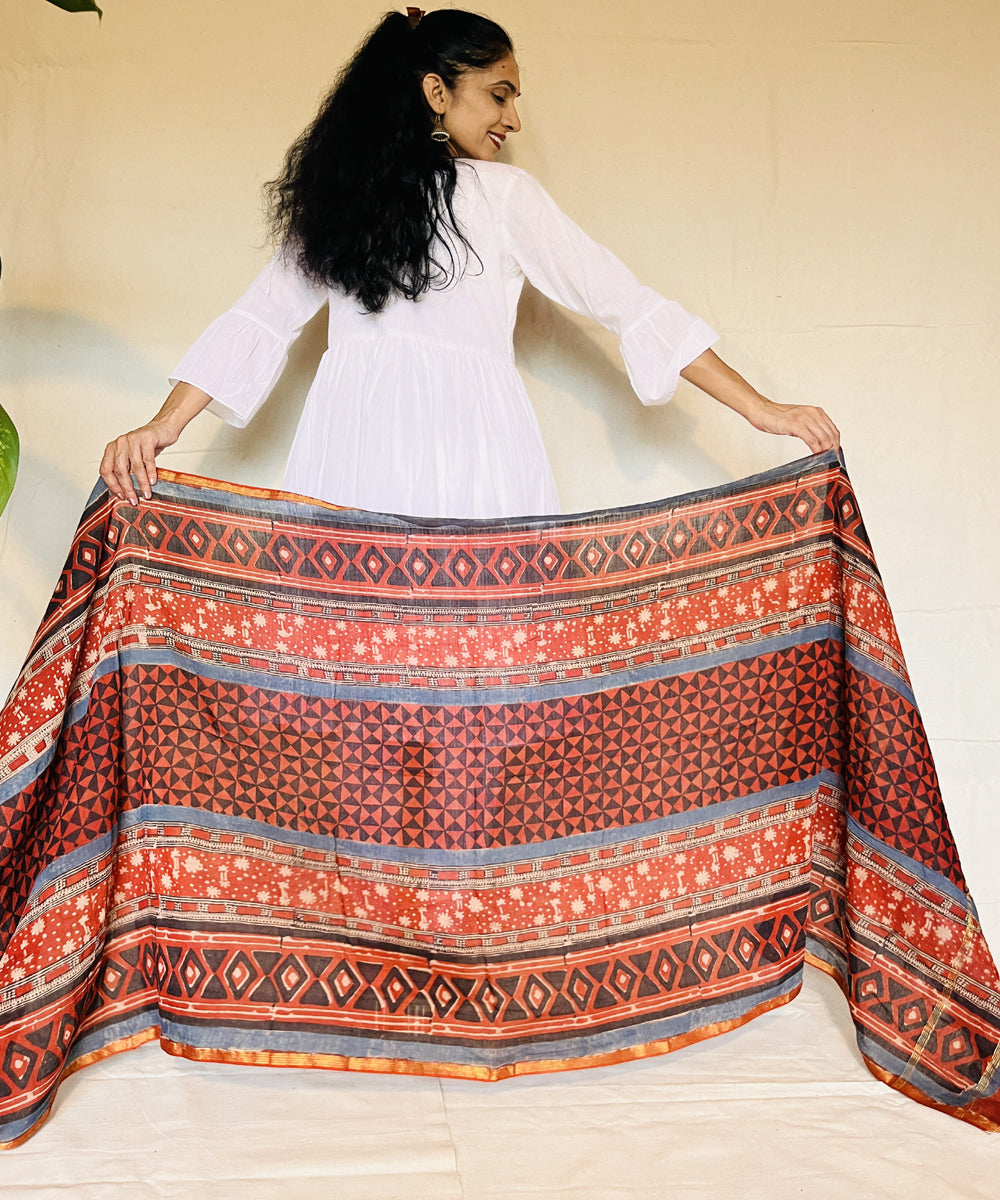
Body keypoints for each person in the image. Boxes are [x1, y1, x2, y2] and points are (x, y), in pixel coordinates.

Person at [100, 7, 839, 517]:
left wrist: (764, 411)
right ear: (435, 92)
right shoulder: (343, 205)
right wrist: (160, 429)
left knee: (482, 686)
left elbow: (628, 304)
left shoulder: (506, 198)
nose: (514, 119)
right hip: (359, 449)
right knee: (366, 682)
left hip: (475, 450)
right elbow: (260, 318)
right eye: (499, 93)